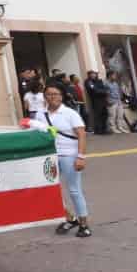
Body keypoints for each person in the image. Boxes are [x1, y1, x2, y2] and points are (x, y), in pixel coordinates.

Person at [30, 81, 91, 238]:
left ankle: (84, 224)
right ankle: (70, 218)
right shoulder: (40, 114)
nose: (52, 97)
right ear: (44, 97)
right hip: (50, 157)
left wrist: (81, 157)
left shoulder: (70, 113)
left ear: (61, 96)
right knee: (51, 190)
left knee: (74, 190)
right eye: (48, 94)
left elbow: (81, 135)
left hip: (69, 155)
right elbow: (37, 134)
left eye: (55, 94)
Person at [84, 70, 110, 135]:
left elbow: (104, 88)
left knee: (105, 114)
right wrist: (104, 92)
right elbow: (95, 90)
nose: (94, 75)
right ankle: (99, 130)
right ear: (89, 75)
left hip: (103, 100)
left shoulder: (99, 81)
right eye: (92, 74)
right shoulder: (88, 82)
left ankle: (104, 129)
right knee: (98, 115)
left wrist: (103, 91)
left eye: (94, 74)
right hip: (96, 101)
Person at [105, 71, 128, 136]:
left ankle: (120, 127)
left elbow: (118, 92)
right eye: (114, 75)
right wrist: (108, 101)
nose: (115, 77)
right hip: (111, 101)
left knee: (120, 115)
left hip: (118, 101)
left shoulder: (115, 83)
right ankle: (113, 128)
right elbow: (105, 93)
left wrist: (121, 100)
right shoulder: (105, 83)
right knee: (112, 116)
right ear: (110, 75)